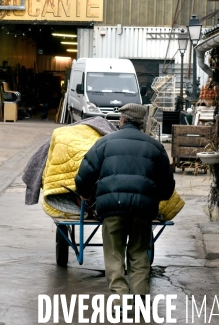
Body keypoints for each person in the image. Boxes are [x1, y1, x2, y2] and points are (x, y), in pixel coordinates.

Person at [74, 103, 174, 312]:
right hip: (143, 210)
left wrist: (85, 194)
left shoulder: (104, 143)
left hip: (111, 208)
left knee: (114, 253)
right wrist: (156, 197)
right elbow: (167, 187)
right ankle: (139, 299)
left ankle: (119, 300)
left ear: (122, 120)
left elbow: (84, 174)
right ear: (141, 123)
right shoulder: (155, 147)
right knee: (139, 251)